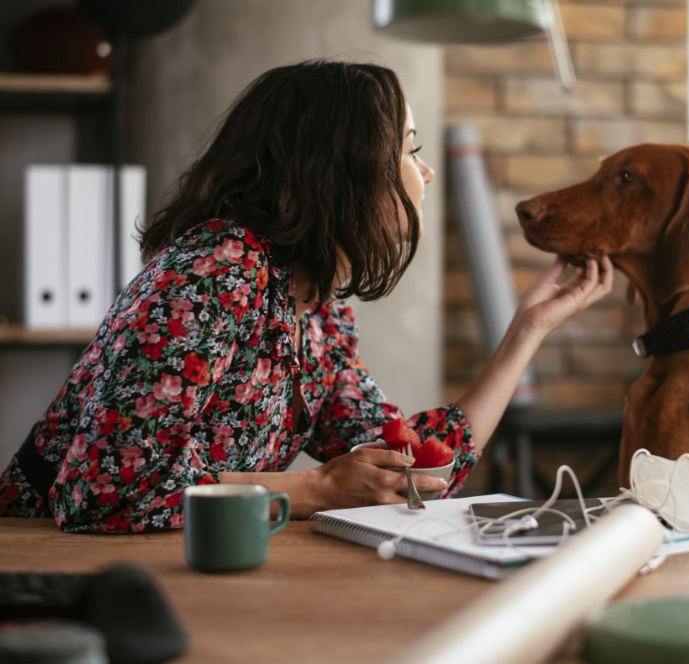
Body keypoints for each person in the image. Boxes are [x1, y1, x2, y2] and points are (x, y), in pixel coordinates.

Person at [0, 60, 613, 533]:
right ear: (344, 167)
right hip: (44, 573)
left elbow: (409, 473)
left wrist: (527, 329)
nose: (423, 173)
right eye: (409, 149)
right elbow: (104, 496)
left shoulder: (316, 312)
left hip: (172, 571)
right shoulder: (219, 269)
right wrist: (316, 488)